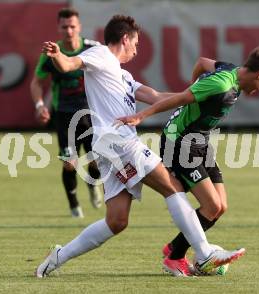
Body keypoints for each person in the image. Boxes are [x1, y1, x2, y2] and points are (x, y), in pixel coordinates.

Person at [35, 14, 245, 278]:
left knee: (117, 221)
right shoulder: (100, 55)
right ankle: (204, 254)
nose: (137, 49)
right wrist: (58, 57)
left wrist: (196, 98)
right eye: (136, 43)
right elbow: (69, 64)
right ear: (125, 38)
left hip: (110, 147)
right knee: (171, 185)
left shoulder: (122, 75)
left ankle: (57, 256)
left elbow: (156, 96)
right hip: (118, 141)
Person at [117, 45, 259, 276]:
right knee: (211, 206)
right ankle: (174, 259)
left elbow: (203, 61)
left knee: (220, 207)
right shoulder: (221, 84)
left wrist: (195, 85)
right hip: (180, 142)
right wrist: (141, 115)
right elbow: (179, 99)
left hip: (200, 142)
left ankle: (175, 246)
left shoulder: (229, 71)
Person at [30, 8, 103, 218]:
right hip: (64, 115)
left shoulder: (93, 49)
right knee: (70, 164)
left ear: (79, 27)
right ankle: (74, 205)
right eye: (65, 27)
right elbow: (36, 82)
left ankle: (92, 185)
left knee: (96, 161)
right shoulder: (51, 53)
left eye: (73, 26)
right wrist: (39, 105)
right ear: (58, 28)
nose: (69, 31)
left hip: (91, 114)